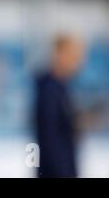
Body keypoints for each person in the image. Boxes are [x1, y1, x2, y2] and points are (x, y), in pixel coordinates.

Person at [34, 34, 85, 178]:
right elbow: (49, 140)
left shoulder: (61, 88)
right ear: (60, 54)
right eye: (74, 57)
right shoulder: (49, 90)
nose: (78, 63)